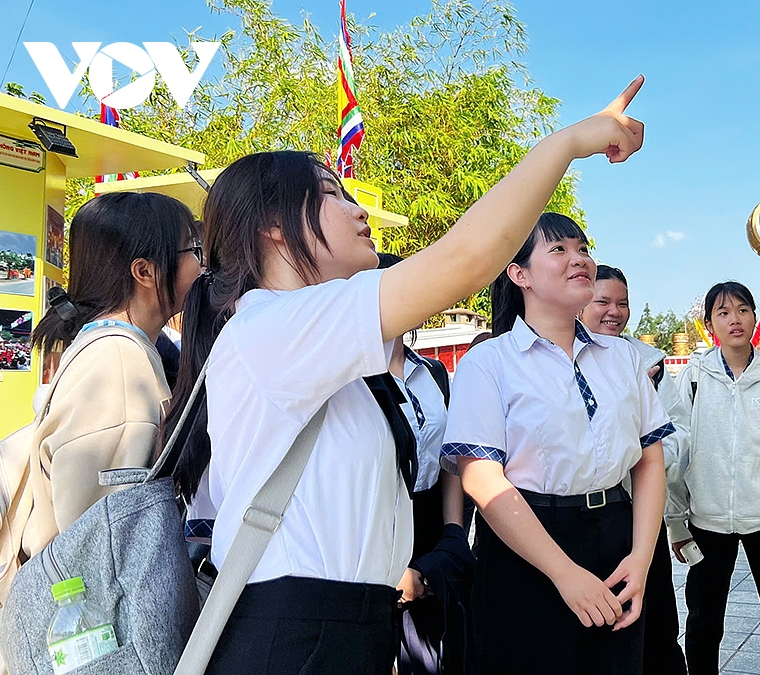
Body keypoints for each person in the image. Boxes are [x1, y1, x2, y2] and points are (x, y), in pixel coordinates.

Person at [164, 77, 646, 673]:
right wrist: (567, 143)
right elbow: (465, 260)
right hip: (299, 635)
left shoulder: (310, 345)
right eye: (333, 194)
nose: (358, 209)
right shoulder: (272, 326)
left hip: (344, 626)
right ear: (276, 228)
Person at [443, 213, 671, 675]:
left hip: (615, 539)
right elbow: (481, 479)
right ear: (519, 274)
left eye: (582, 249)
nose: (579, 260)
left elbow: (649, 461)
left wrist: (641, 559)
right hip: (524, 546)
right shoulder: (489, 363)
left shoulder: (623, 355)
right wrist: (565, 575)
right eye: (559, 250)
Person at [26, 191, 203, 549]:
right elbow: (97, 542)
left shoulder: (117, 347)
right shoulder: (119, 363)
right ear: (145, 271)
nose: (203, 265)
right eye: (193, 250)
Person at [667, 281, 760, 675]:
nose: (735, 319)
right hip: (707, 521)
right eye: (723, 312)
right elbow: (678, 451)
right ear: (709, 324)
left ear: (755, 316)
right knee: (703, 625)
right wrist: (676, 522)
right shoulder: (695, 376)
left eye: (742, 310)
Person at [579, 264, 689, 674]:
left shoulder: (649, 364)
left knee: (656, 626)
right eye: (602, 301)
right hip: (585, 518)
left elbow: (681, 435)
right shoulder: (559, 358)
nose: (614, 312)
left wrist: (645, 442)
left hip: (640, 514)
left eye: (622, 303)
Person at [376, 253, 471, 675]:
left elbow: (449, 456)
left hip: (434, 522)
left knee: (437, 651)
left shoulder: (432, 371)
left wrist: (453, 533)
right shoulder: (352, 378)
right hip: (381, 527)